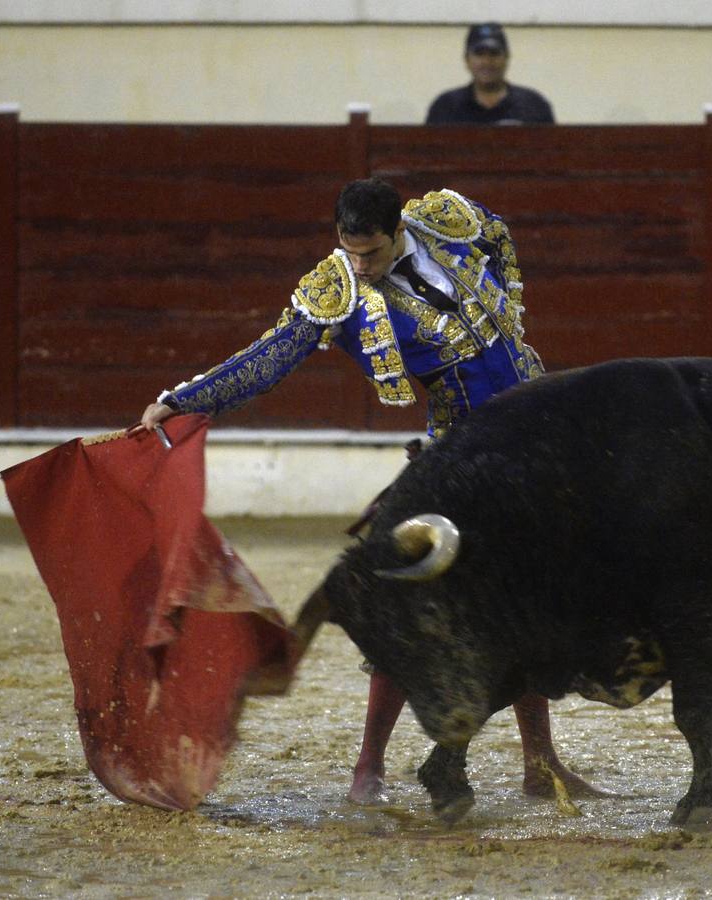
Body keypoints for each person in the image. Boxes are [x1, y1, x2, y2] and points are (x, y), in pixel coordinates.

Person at [134, 178, 599, 805]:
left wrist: (512, 307)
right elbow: (270, 358)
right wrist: (183, 401)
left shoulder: (443, 220)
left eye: (372, 253)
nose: (360, 266)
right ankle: (368, 773)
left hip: (536, 438)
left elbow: (498, 232)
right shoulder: (339, 290)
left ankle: (540, 767)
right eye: (349, 252)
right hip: (460, 452)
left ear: (399, 229)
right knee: (407, 594)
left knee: (529, 603)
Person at [426, 23, 555, 125]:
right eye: (479, 54)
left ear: (506, 58)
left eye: (494, 54)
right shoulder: (445, 107)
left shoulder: (533, 105)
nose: (487, 62)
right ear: (466, 59)